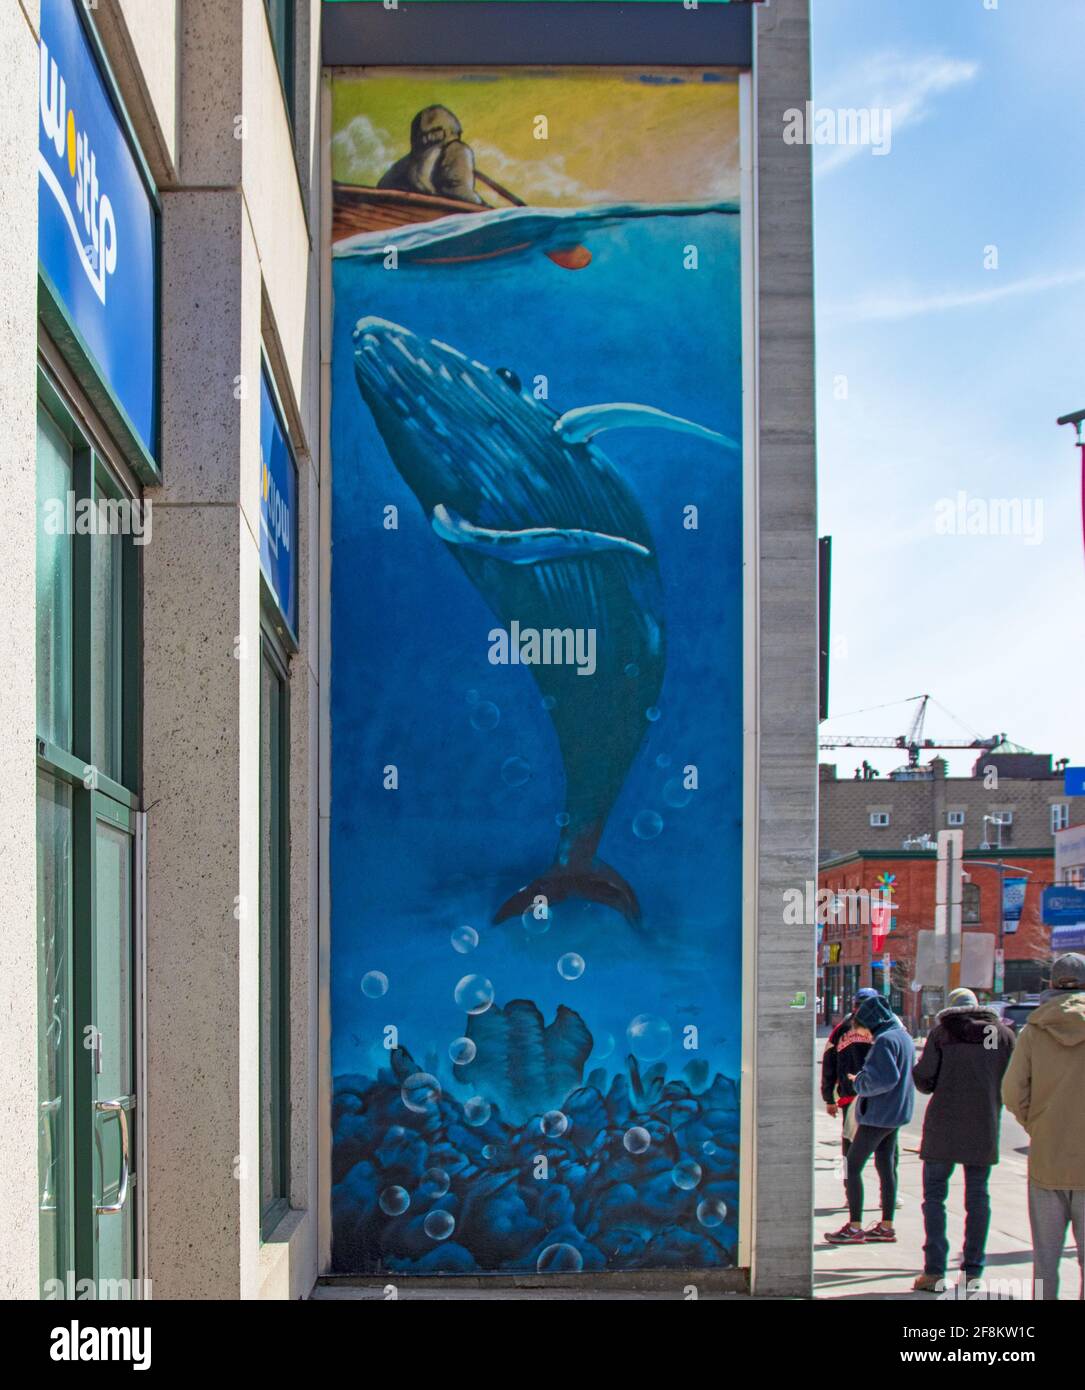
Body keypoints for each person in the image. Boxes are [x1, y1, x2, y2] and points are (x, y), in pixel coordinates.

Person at [910, 987, 1015, 1293]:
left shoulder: (943, 1033)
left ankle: (933, 1272)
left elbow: (924, 1079)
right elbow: (1013, 1079)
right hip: (984, 1126)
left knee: (934, 1199)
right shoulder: (1002, 1035)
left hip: (942, 1127)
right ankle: (972, 1271)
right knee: (978, 1198)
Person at [1001, 952, 1085, 1300]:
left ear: (1051, 984)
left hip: (1047, 1158)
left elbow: (1011, 1091)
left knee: (1045, 1263)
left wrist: (1035, 1122)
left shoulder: (1034, 1029)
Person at [825, 993, 915, 1244]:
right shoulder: (903, 1037)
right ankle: (886, 1226)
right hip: (897, 1112)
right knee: (886, 1166)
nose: (862, 1032)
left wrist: (859, 1081)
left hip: (878, 1113)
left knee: (853, 1166)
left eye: (862, 1026)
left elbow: (884, 1079)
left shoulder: (884, 1041)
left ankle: (854, 1227)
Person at [821, 988, 877, 1201]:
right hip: (873, 1096)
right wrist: (828, 1097)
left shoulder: (842, 1029)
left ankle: (849, 1192)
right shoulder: (881, 1028)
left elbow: (829, 1064)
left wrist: (829, 1098)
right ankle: (884, 1195)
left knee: (850, 1147)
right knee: (886, 1149)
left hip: (852, 1095)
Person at [378, 105, 486, 205]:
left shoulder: (409, 161)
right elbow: (460, 192)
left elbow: (383, 187)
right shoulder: (458, 150)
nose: (427, 138)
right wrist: (484, 206)